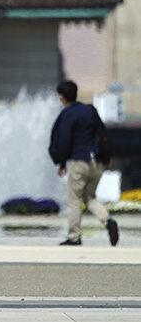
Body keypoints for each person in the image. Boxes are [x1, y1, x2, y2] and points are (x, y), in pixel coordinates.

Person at [48, 80, 119, 246]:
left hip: (79, 161)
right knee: (90, 198)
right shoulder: (89, 110)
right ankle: (107, 221)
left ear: (62, 97)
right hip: (97, 162)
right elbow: (103, 133)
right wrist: (108, 157)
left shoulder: (67, 114)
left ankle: (74, 237)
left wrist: (61, 163)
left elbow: (64, 141)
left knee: (74, 200)